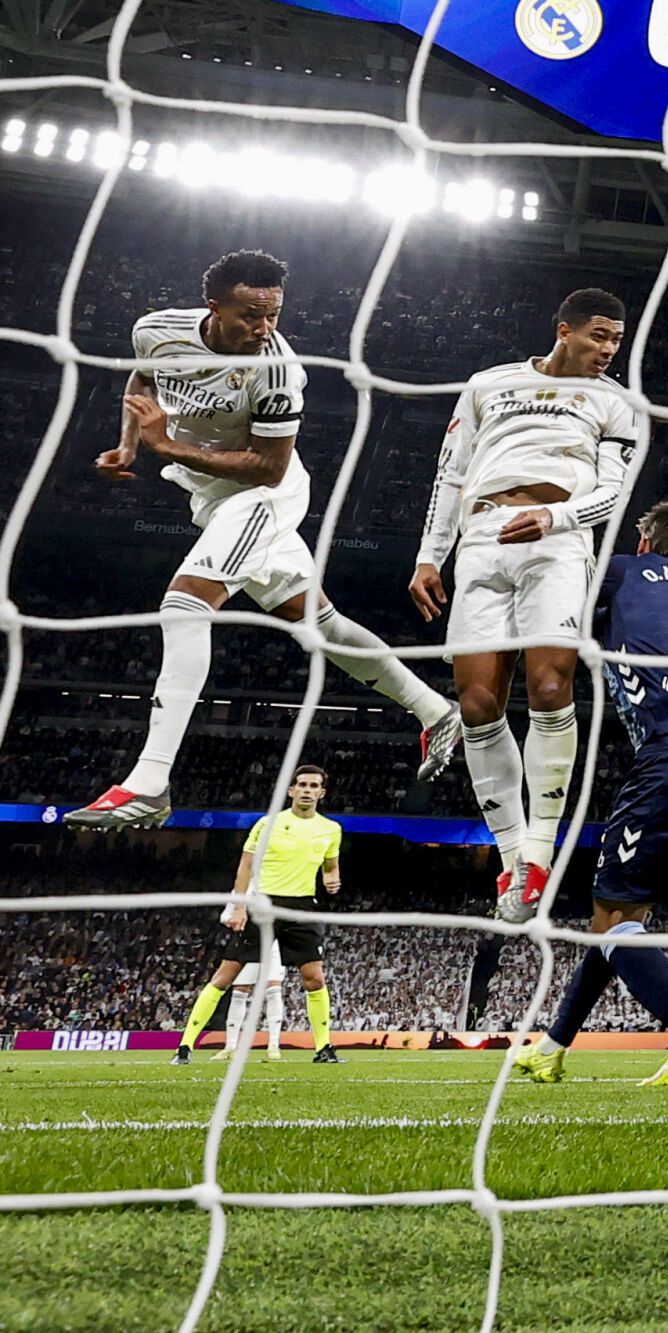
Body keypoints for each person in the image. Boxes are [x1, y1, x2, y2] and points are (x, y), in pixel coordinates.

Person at [68, 251, 459, 829]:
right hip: (212, 499)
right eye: (251, 315)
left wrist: (165, 447)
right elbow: (145, 377)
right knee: (319, 624)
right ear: (215, 306)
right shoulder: (156, 331)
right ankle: (434, 709)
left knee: (184, 605)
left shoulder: (279, 371)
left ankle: (149, 781)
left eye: (273, 315)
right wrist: (129, 443)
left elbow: (269, 468)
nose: (264, 328)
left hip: (263, 496)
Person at [409, 288, 641, 922]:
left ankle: (540, 851)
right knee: (478, 703)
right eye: (599, 335)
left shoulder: (617, 403)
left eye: (616, 340)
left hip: (560, 542)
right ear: (563, 329)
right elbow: (451, 471)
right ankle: (512, 861)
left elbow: (613, 496)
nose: (608, 348)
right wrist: (431, 555)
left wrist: (553, 515)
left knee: (547, 685)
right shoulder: (488, 385)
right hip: (482, 540)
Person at [510, 502, 668, 1088]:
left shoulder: (625, 571)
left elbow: (562, 596)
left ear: (644, 543)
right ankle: (553, 1046)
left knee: (613, 920)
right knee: (616, 918)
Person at [173, 765, 344, 1065]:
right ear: (291, 791)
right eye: (301, 784)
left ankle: (324, 1049)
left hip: (302, 906)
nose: (306, 790)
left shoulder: (331, 829)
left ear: (322, 792)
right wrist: (240, 906)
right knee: (227, 975)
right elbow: (246, 867)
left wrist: (332, 878)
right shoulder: (268, 824)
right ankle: (185, 1047)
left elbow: (330, 865)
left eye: (313, 785)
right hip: (262, 905)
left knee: (314, 978)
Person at [213, 959, 284, 1061]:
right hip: (249, 947)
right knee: (239, 990)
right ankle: (230, 1047)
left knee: (273, 988)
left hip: (273, 946)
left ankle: (274, 1045)